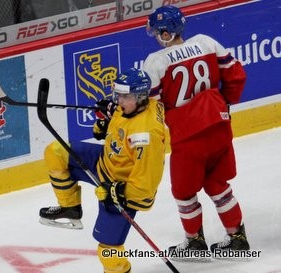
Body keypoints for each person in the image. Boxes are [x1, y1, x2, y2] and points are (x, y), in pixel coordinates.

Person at [143, 5, 250, 259]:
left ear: (166, 33)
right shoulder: (206, 42)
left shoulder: (155, 62)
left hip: (188, 137)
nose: (157, 36)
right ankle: (237, 237)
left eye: (158, 32)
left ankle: (194, 241)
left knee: (184, 192)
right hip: (219, 127)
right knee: (217, 183)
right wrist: (222, 103)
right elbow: (236, 75)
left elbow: (152, 107)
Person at [39, 68, 167, 273]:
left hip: (127, 191)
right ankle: (70, 208)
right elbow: (122, 123)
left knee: (108, 251)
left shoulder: (146, 136)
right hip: (105, 164)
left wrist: (114, 192)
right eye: (118, 94)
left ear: (141, 96)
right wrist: (108, 122)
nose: (118, 100)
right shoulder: (135, 106)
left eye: (124, 96)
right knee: (56, 152)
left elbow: (145, 188)